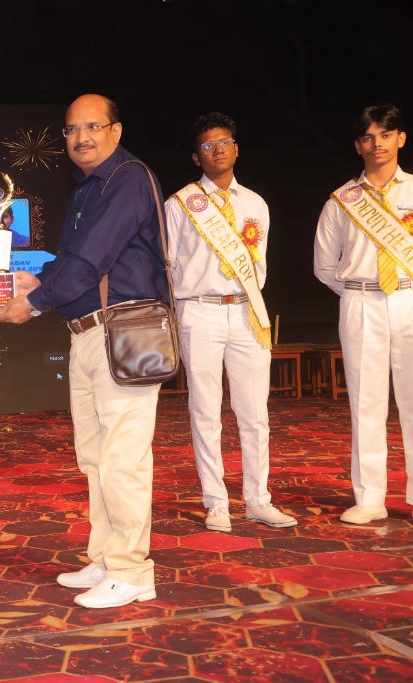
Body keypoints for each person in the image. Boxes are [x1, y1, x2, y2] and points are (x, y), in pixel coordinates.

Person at [0, 94, 165, 608]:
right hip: (89, 332)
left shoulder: (129, 180)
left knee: (123, 456)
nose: (81, 137)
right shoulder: (89, 186)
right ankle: (108, 557)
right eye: (71, 129)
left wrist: (34, 303)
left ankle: (133, 571)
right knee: (94, 456)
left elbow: (92, 260)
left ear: (116, 130)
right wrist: (37, 279)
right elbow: (72, 259)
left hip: (124, 331)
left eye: (92, 126)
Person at [165, 113, 297, 532]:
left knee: (254, 413)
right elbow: (166, 264)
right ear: (196, 156)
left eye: (224, 142)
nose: (217, 150)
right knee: (206, 411)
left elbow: (259, 266)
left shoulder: (255, 203)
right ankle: (216, 502)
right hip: (199, 310)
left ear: (236, 149)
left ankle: (258, 500)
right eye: (207, 145)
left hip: (246, 311)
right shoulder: (179, 204)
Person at [314, 102, 413, 524]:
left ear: (400, 139)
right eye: (368, 138)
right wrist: (360, 292)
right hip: (360, 302)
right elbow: (324, 266)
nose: (377, 144)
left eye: (385, 135)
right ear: (358, 146)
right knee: (366, 403)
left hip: (410, 298)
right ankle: (370, 498)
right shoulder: (341, 201)